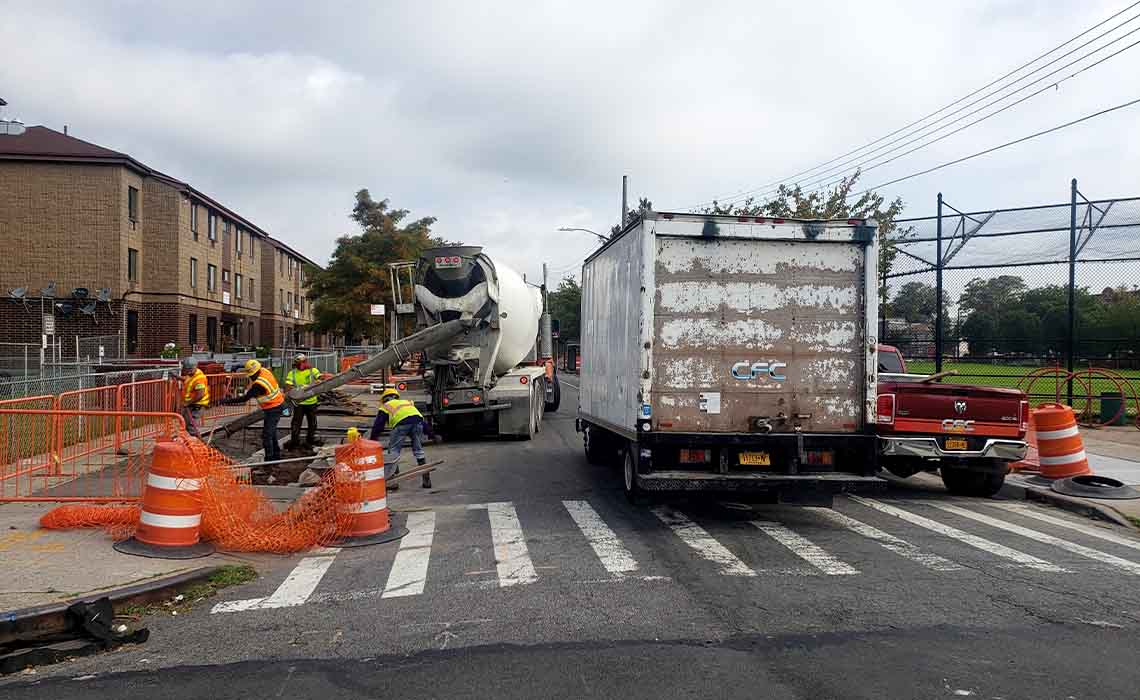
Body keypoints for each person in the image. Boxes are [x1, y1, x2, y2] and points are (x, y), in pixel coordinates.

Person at [221, 359, 285, 462]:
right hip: (275, 405)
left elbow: (245, 398)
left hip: (274, 408)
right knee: (271, 433)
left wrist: (227, 401)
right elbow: (249, 365)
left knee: (267, 435)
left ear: (255, 373)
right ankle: (276, 456)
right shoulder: (264, 370)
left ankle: (269, 460)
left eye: (251, 375)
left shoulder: (259, 385)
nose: (250, 377)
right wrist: (238, 366)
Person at [369, 387, 431, 490]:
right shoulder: (407, 403)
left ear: (384, 399)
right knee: (419, 451)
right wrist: (430, 433)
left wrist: (373, 439)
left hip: (401, 425)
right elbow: (418, 418)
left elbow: (378, 425)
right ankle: (426, 480)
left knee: (393, 451)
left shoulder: (386, 406)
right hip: (418, 423)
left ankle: (393, 482)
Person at [285, 353, 322, 449]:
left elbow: (321, 379)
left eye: (304, 362)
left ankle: (310, 440)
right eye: (300, 363)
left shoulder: (313, 371)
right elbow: (288, 386)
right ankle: (295, 441)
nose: (303, 364)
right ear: (297, 364)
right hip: (299, 403)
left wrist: (316, 383)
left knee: (312, 423)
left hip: (311, 402)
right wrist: (297, 390)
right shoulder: (292, 373)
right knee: (296, 423)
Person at [179, 357, 209, 438]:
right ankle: (191, 444)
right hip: (191, 405)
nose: (184, 370)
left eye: (185, 368)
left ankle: (199, 445)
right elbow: (187, 380)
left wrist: (187, 403)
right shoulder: (192, 374)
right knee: (186, 425)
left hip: (196, 406)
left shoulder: (199, 378)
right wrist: (177, 377)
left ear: (191, 368)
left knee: (191, 427)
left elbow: (200, 394)